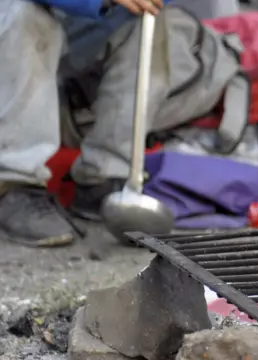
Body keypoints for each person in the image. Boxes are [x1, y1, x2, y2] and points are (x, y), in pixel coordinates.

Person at [0, 0, 225, 247]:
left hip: (76, 38)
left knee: (149, 20)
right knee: (24, 13)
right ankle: (15, 183)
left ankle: (104, 178)